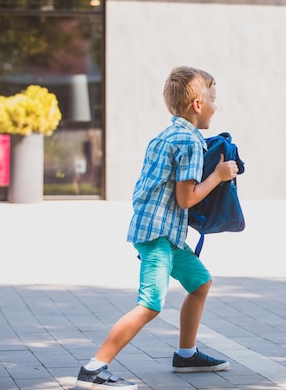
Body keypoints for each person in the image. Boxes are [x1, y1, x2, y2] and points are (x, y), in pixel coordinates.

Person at [75, 66, 239, 389]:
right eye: (213, 100)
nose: (215, 107)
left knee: (201, 282)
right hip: (158, 235)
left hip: (162, 231)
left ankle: (186, 355)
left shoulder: (165, 135)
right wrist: (219, 176)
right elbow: (186, 198)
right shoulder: (190, 142)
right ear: (197, 105)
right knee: (151, 303)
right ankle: (94, 368)